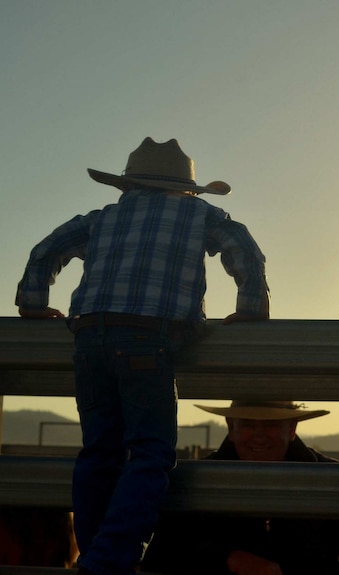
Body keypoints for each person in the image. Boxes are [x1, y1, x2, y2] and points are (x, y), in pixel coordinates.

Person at [15, 137, 270, 575]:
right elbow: (242, 246)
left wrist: (33, 303)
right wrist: (251, 309)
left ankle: (95, 555)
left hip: (89, 333)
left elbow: (45, 250)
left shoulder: (101, 219)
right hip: (149, 338)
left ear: (126, 187)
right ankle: (111, 560)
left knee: (99, 452)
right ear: (188, 190)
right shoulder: (200, 215)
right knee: (150, 453)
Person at [142, 400, 339, 575]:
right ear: (231, 427)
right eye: (248, 424)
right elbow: (160, 556)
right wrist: (227, 558)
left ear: (292, 429)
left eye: (271, 425)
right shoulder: (192, 481)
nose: (259, 435)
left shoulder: (331, 482)